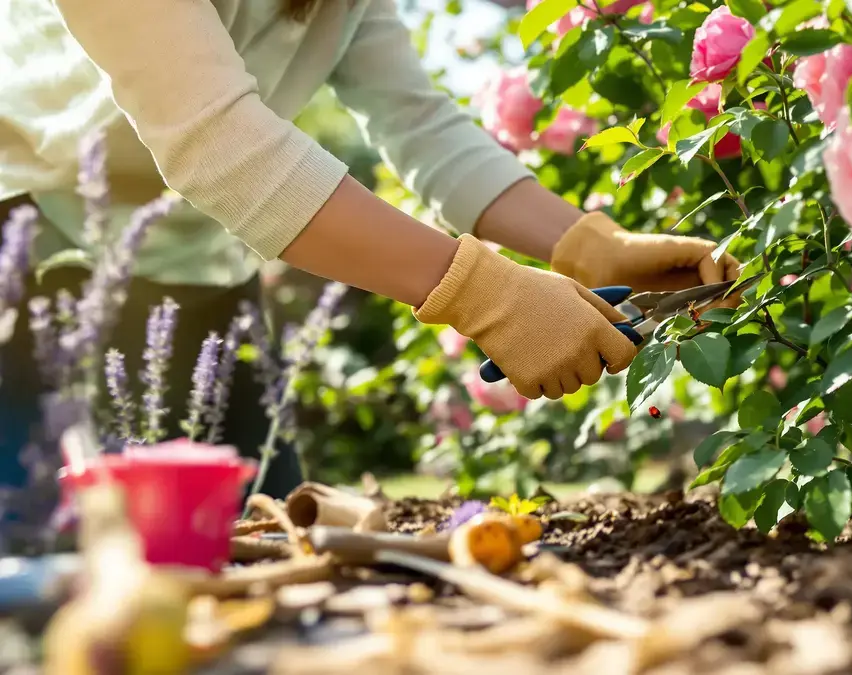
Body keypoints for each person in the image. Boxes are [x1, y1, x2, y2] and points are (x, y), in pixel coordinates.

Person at [0, 0, 740, 497]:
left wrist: (589, 244)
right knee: (48, 569)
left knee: (263, 536)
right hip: (31, 245)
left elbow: (419, 125)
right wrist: (484, 293)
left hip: (199, 267)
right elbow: (218, 144)